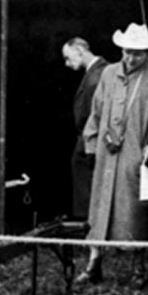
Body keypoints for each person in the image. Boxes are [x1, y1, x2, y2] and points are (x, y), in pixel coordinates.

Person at [78, 24, 148, 284]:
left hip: (134, 155)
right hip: (106, 156)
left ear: (147, 53)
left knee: (136, 211)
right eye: (127, 52)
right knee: (99, 209)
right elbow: (96, 112)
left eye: (137, 54)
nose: (131, 58)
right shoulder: (108, 74)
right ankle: (94, 264)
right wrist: (92, 144)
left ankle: (138, 267)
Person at [62, 37, 107, 219]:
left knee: (89, 191)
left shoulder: (97, 77)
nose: (67, 63)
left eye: (68, 57)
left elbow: (94, 114)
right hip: (90, 139)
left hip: (91, 141)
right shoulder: (96, 74)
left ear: (80, 51)